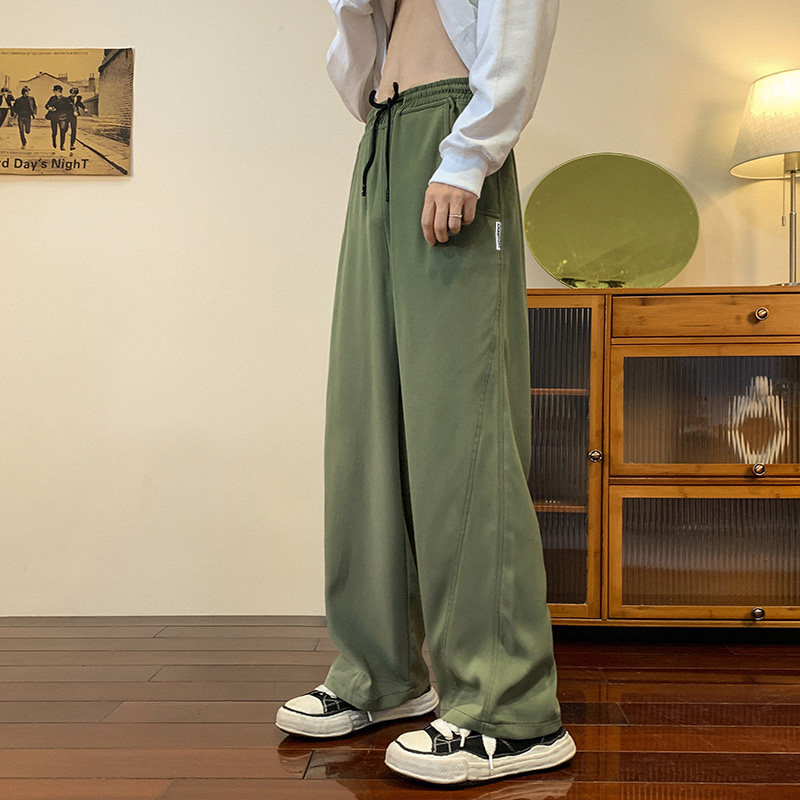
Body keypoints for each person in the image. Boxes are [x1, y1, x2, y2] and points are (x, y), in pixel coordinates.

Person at [275, 0, 576, 786]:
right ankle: (381, 673)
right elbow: (356, 72)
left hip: (452, 132)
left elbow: (518, 28)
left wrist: (469, 154)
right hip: (384, 137)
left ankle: (510, 711)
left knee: (462, 429)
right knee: (366, 420)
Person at [45, 85, 71, 151]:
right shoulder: (52, 98)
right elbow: (47, 105)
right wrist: (49, 108)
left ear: (58, 91)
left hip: (63, 117)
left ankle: (62, 145)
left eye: (55, 91)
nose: (54, 92)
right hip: (54, 117)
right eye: (54, 91)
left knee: (62, 131)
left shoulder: (65, 99)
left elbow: (69, 108)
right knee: (54, 132)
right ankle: (54, 141)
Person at [66, 87, 86, 151]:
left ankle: (72, 144)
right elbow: (72, 105)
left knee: (73, 129)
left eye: (74, 93)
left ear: (76, 93)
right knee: (65, 128)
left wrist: (84, 108)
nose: (72, 94)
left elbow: (79, 103)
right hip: (67, 115)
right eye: (71, 93)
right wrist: (75, 111)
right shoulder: (68, 99)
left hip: (73, 116)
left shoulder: (78, 98)